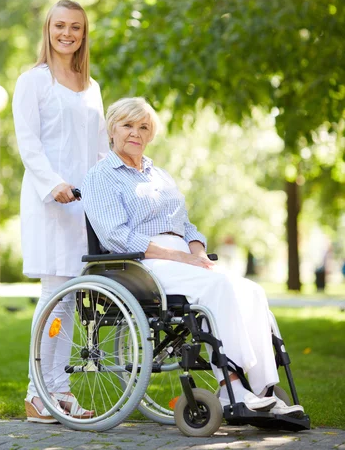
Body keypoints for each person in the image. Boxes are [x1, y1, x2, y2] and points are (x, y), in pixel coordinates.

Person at [82, 97, 305, 418]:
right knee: (219, 290)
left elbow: (186, 226)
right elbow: (117, 236)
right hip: (141, 262)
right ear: (111, 129)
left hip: (182, 257)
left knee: (252, 291)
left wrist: (198, 253)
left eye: (143, 127)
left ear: (151, 134)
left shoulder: (159, 175)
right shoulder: (101, 176)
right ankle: (232, 387)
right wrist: (178, 256)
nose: (135, 133)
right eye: (127, 125)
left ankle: (263, 389)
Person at [12, 0, 109, 423]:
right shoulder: (33, 81)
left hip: (86, 204)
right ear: (48, 29)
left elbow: (101, 148)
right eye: (60, 25)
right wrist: (55, 185)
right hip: (52, 203)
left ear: (84, 34)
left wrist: (112, 190)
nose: (67, 33)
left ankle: (58, 391)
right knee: (54, 297)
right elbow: (28, 143)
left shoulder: (91, 85)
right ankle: (38, 394)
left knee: (70, 301)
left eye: (76, 27)